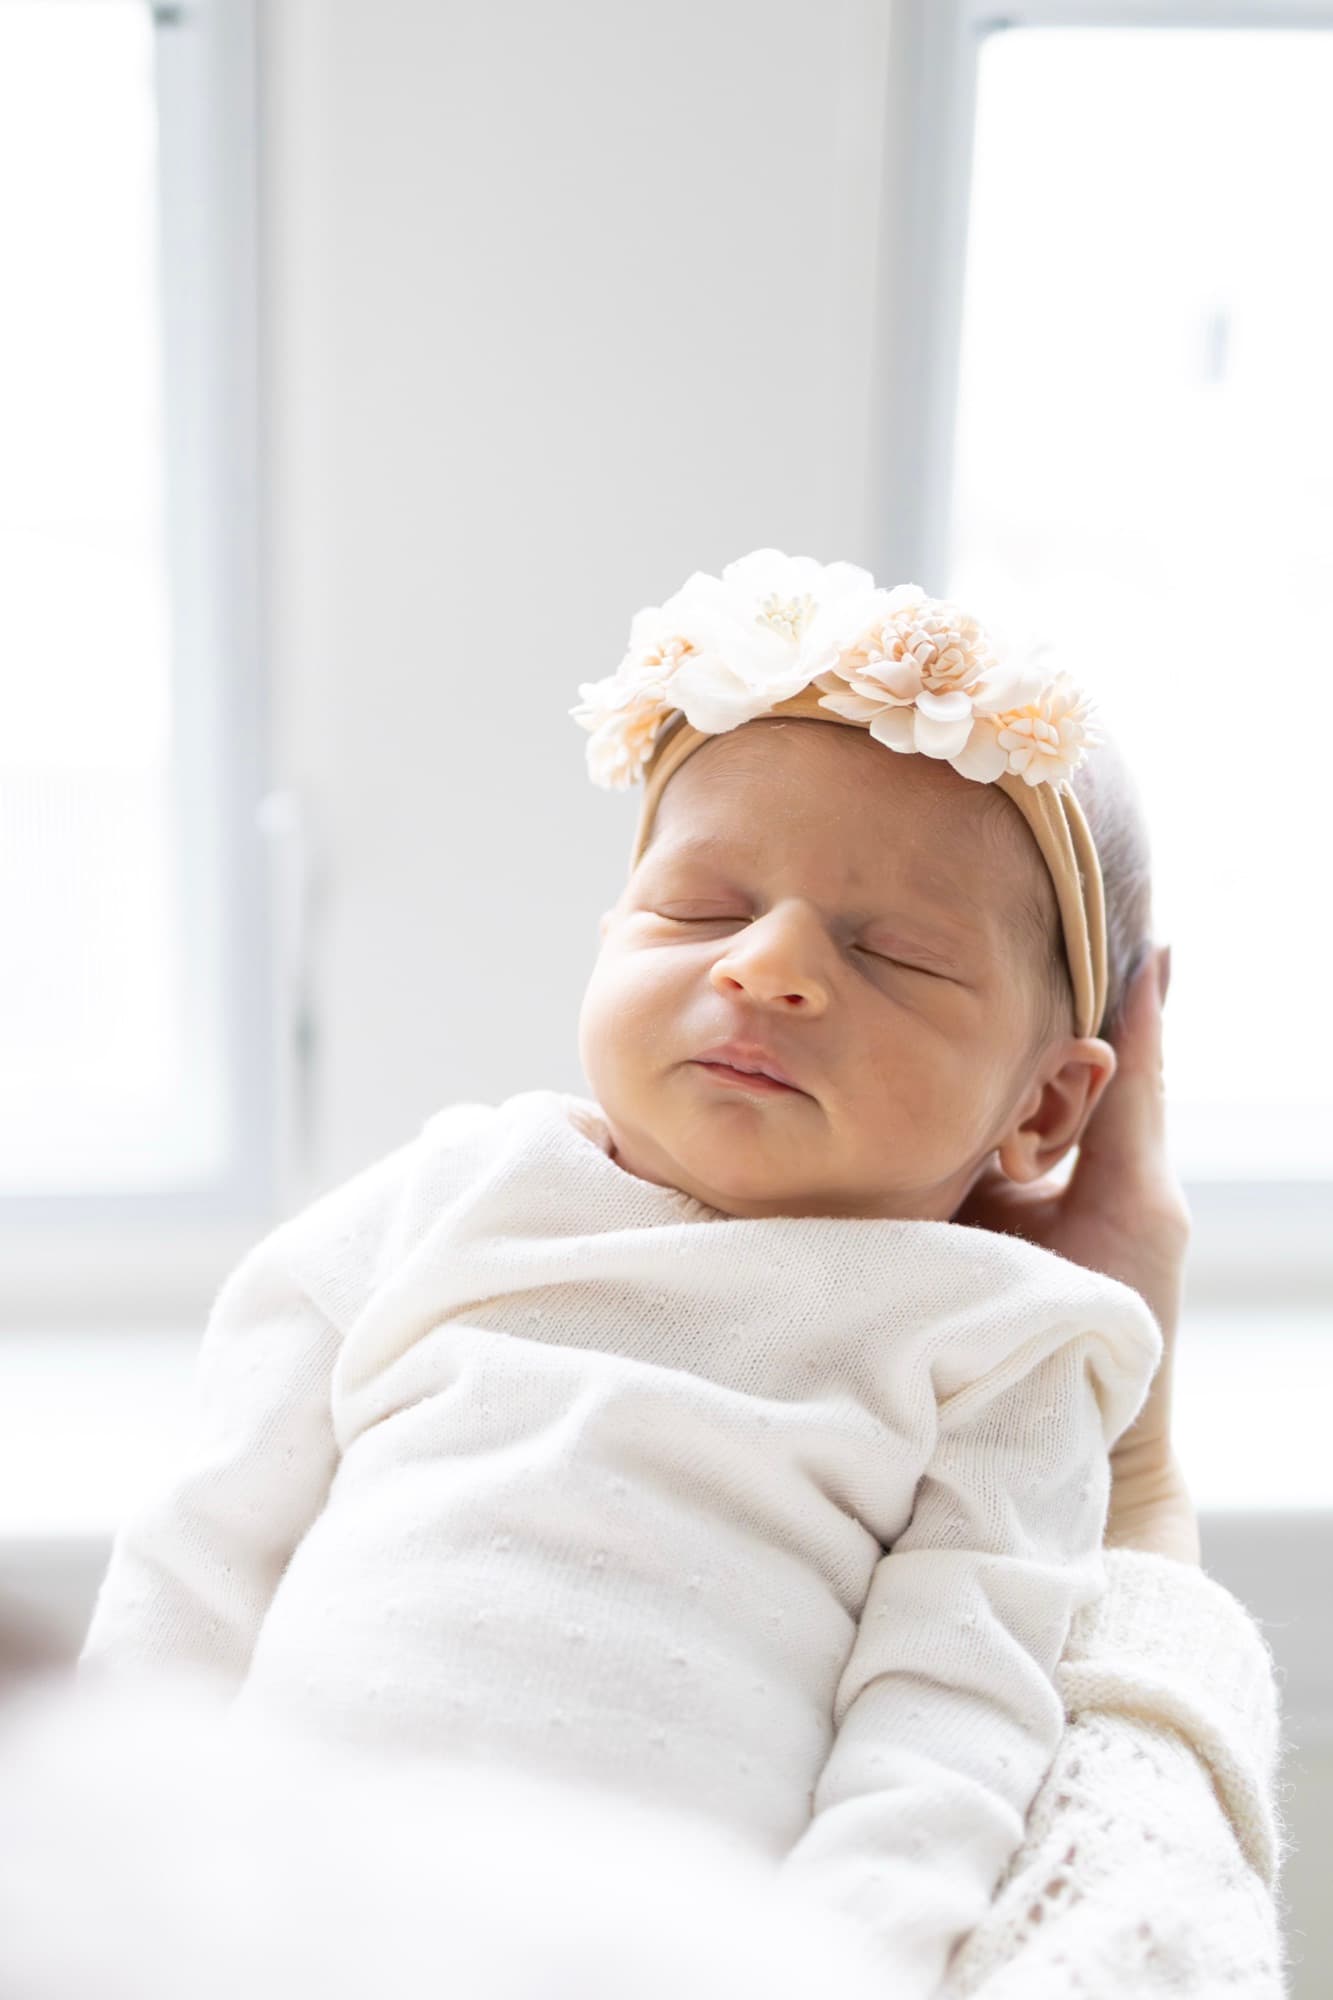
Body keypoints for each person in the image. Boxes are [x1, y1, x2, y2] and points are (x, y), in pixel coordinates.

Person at [60, 552, 1288, 1997]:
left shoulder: (1002, 1339)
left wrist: (834, 1962)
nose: (767, 967)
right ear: (608, 938)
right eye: (698, 910)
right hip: (281, 1919)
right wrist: (104, 1867)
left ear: (1043, 1109)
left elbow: (956, 1709)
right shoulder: (450, 1198)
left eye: (891, 952)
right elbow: (201, 1552)